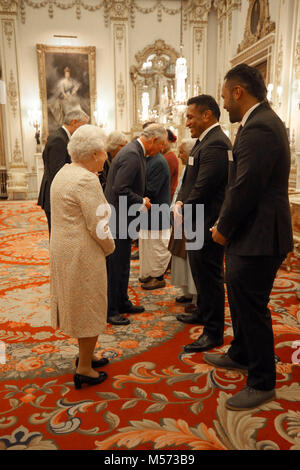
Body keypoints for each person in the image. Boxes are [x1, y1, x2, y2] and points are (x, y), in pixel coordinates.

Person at [206, 64, 293, 411]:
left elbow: (245, 188)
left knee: (252, 307)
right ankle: (241, 352)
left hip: (259, 235)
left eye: (226, 96)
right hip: (252, 232)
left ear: (239, 91)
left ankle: (261, 381)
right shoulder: (258, 123)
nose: (224, 103)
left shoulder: (260, 127)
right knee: (240, 298)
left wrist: (223, 228)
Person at [50, 124, 115, 390]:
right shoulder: (87, 179)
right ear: (94, 154)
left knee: (79, 304)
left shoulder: (64, 172)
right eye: (103, 153)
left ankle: (85, 357)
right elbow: (98, 224)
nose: (106, 158)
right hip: (83, 252)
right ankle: (85, 369)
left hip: (64, 249)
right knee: (89, 305)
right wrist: (110, 247)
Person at [173, 95, 231, 353]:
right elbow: (190, 181)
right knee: (200, 273)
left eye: (190, 117)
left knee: (210, 277)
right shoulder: (204, 141)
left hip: (206, 221)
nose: (187, 123)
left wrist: (182, 206)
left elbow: (204, 185)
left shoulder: (217, 143)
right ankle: (203, 313)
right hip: (196, 218)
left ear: (207, 115)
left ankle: (213, 331)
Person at [105, 123, 167, 325]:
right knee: (116, 265)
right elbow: (120, 189)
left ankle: (122, 302)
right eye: (162, 145)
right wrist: (142, 201)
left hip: (123, 218)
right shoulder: (132, 154)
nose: (162, 150)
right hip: (118, 219)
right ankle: (111, 309)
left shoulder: (135, 151)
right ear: (154, 140)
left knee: (123, 263)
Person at [37, 109, 89, 234]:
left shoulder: (62, 136)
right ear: (74, 122)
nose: (84, 130)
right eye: (83, 125)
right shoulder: (58, 139)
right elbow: (58, 172)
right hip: (54, 195)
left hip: (57, 193)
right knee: (57, 235)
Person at [139, 123, 171, 291]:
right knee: (149, 246)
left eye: (162, 143)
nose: (162, 146)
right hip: (149, 211)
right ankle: (152, 273)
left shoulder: (158, 161)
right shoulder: (150, 159)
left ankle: (158, 277)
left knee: (158, 246)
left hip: (157, 212)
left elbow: (151, 189)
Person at [169, 138, 197, 310]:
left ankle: (196, 298)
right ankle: (186, 292)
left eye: (181, 152)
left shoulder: (197, 167)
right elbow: (180, 190)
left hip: (192, 217)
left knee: (192, 260)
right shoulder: (187, 168)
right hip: (181, 217)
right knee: (180, 256)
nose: (179, 156)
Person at [163, 129, 179, 201]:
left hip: (168, 196)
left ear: (169, 141)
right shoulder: (165, 156)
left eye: (164, 140)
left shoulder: (170, 158)